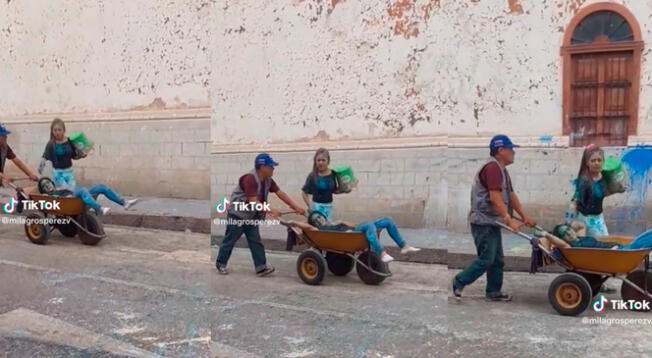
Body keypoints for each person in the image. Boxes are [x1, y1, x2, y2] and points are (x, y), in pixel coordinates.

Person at [451, 135, 536, 302]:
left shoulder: (502, 170)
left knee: (497, 260)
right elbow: (495, 197)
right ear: (500, 150)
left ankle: (493, 291)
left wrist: (524, 217)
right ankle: (459, 281)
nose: (514, 152)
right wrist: (509, 219)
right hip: (483, 222)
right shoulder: (492, 168)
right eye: (511, 149)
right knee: (487, 259)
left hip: (492, 221)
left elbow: (510, 195)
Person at [216, 153, 306, 276]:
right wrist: (271, 210)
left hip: (251, 215)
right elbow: (253, 202)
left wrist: (296, 207)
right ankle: (221, 263)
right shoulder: (250, 179)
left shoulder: (268, 180)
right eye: (271, 166)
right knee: (230, 239)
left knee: (255, 240)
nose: (273, 169)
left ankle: (261, 267)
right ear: (262, 167)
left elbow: (280, 193)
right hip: (238, 214)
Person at [38, 118, 138, 215]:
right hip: (59, 177)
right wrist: (40, 170)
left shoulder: (69, 142)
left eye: (59, 130)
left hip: (69, 173)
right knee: (80, 191)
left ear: (64, 130)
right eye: (55, 130)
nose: (57, 132)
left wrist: (83, 153)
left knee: (101, 188)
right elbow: (44, 157)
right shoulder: (51, 144)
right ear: (52, 131)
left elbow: (75, 156)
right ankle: (99, 209)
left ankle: (124, 203)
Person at [291, 211, 421, 263]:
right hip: (348, 237)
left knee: (387, 220)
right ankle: (381, 253)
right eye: (316, 220)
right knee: (369, 225)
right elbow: (306, 227)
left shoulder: (335, 223)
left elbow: (353, 225)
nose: (319, 220)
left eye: (320, 217)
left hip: (354, 232)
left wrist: (357, 227)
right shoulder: (318, 230)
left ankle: (404, 246)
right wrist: (292, 222)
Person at [570, 144, 620, 237]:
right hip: (587, 219)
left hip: (599, 218)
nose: (596, 163)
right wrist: (569, 222)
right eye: (593, 160)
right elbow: (575, 202)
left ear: (603, 162)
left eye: (599, 160)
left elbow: (602, 193)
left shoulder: (603, 177)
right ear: (587, 163)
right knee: (599, 244)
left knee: (605, 241)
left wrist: (618, 189)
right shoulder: (584, 182)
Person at [301, 148, 348, 221]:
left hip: (328, 208)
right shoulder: (312, 175)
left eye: (323, 160)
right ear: (315, 161)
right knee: (317, 230)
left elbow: (335, 191)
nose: (320, 163)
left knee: (327, 229)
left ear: (328, 161)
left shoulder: (333, 174)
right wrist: (310, 206)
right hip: (316, 208)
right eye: (318, 160)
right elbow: (304, 193)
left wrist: (347, 189)